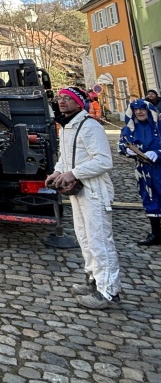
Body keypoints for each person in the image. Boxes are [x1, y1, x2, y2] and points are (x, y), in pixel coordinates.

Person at [45, 86, 121, 309]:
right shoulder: (67, 128)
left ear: (79, 103)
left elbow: (104, 161)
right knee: (85, 238)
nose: (62, 102)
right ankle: (94, 280)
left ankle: (109, 291)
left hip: (94, 191)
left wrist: (73, 173)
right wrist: (58, 171)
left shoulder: (90, 127)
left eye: (67, 99)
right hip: (78, 191)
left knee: (100, 241)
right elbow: (66, 158)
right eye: (60, 98)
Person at [118, 99, 161, 246]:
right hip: (143, 170)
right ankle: (156, 234)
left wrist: (158, 153)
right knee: (149, 198)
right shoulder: (129, 129)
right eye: (136, 110)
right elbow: (121, 145)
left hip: (159, 168)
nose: (139, 112)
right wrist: (127, 150)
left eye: (142, 109)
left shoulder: (159, 126)